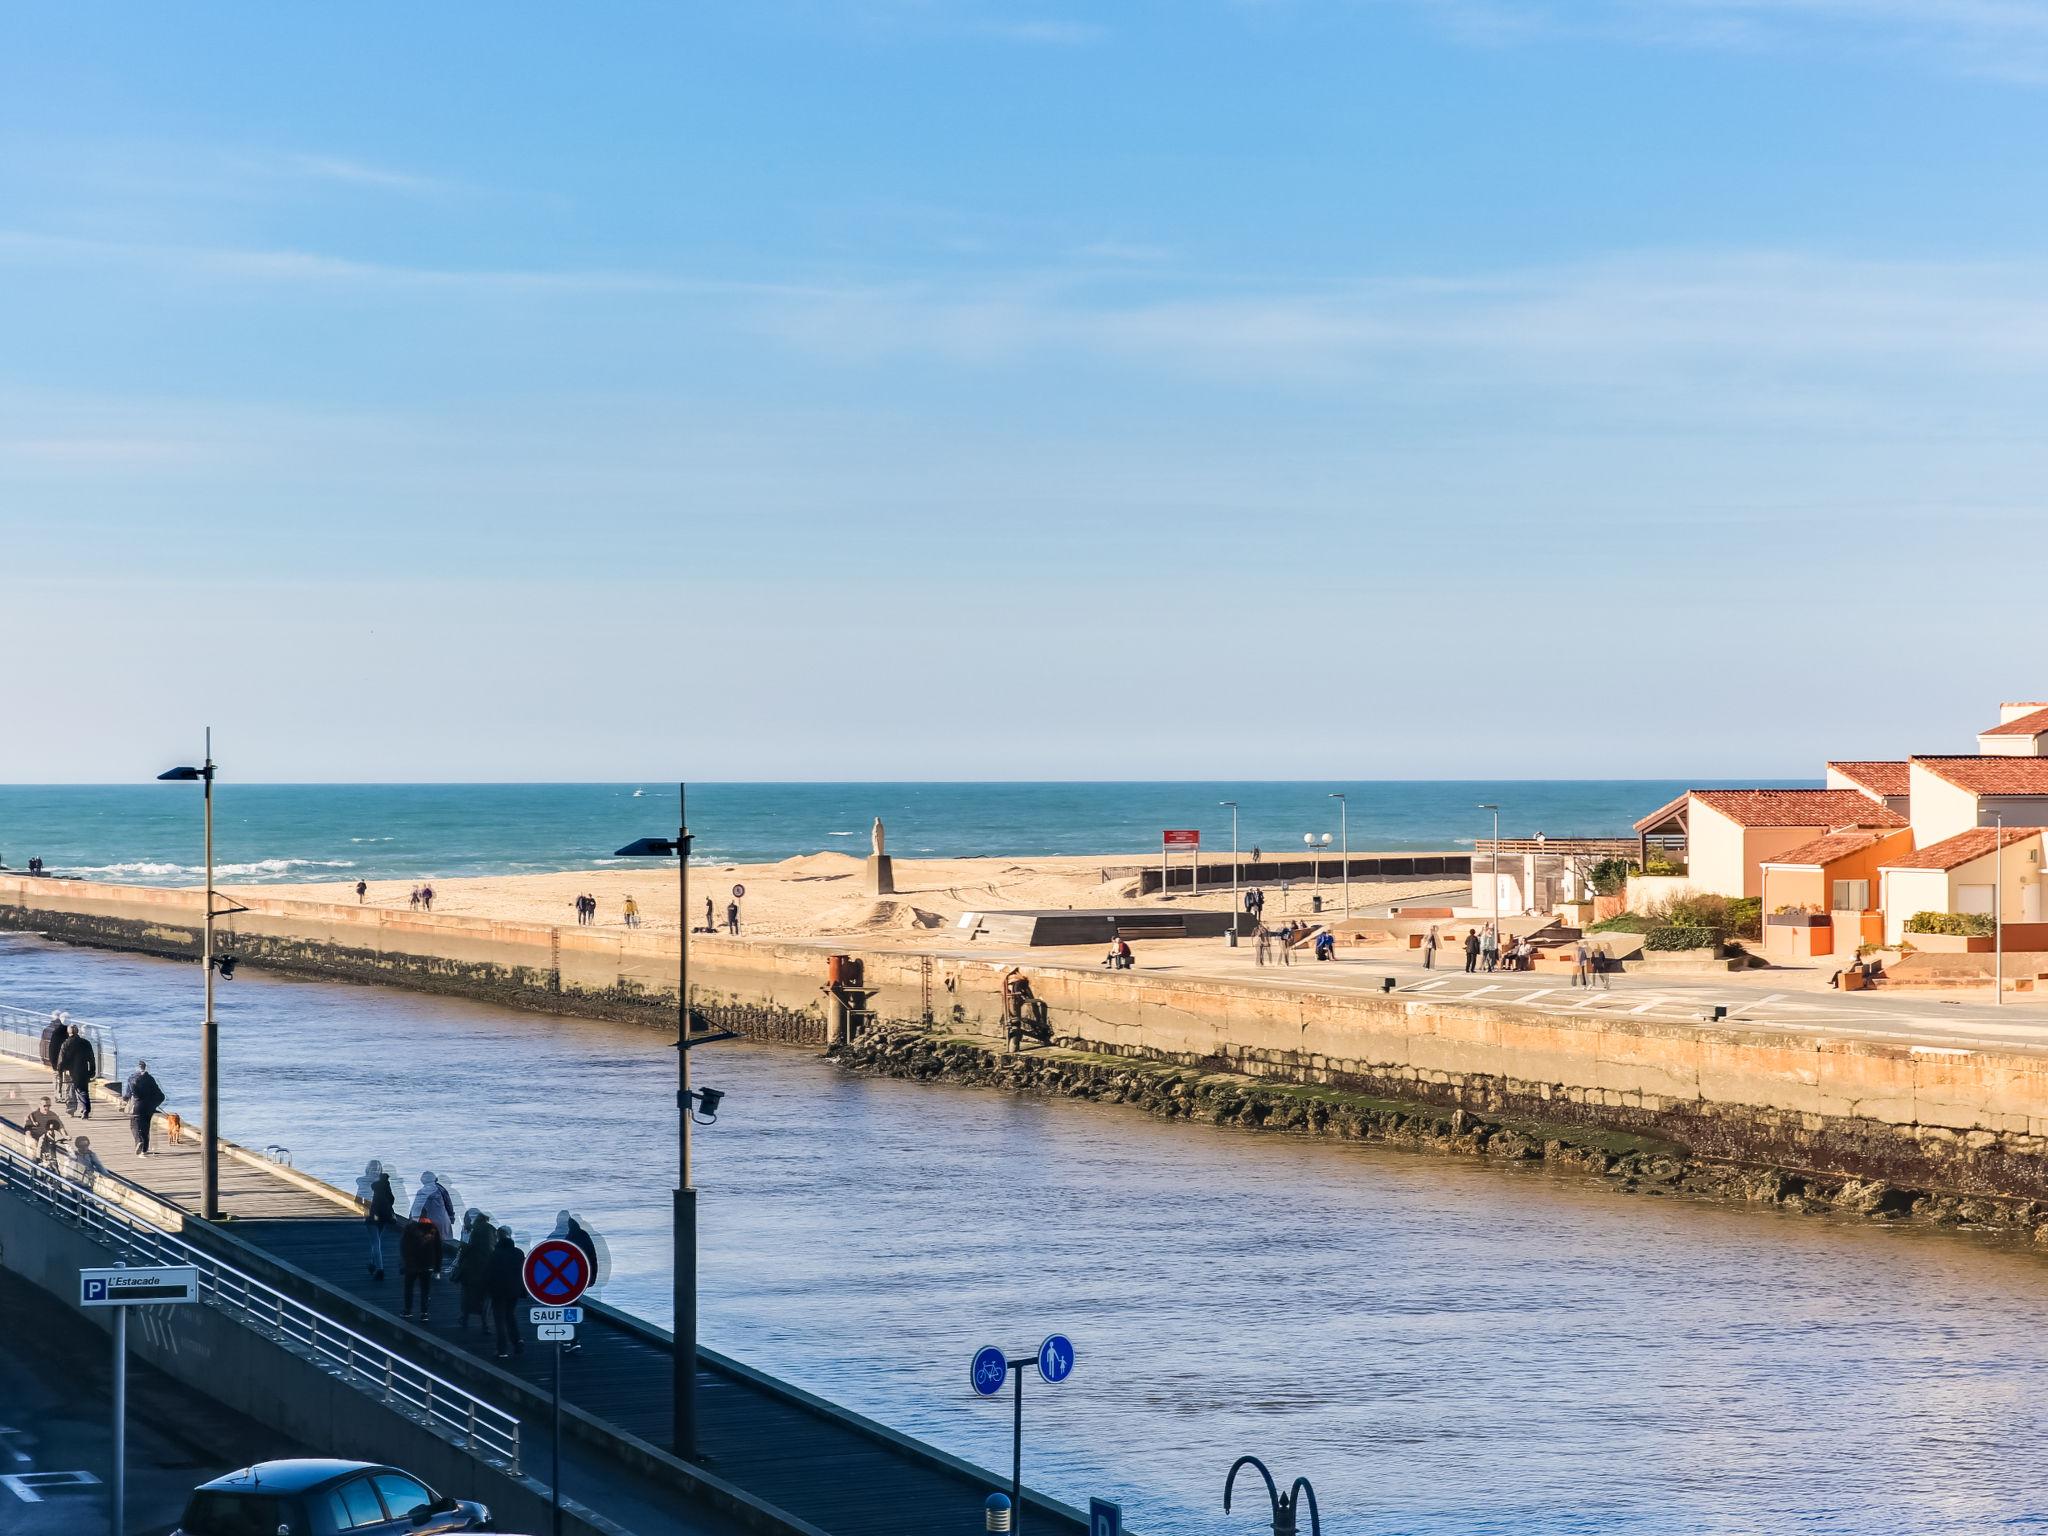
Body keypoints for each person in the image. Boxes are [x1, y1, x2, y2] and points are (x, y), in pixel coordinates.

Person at [487, 1226, 526, 1359]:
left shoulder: (494, 1254)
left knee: (499, 1319)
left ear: (498, 1237)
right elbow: (524, 1272)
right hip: (514, 1290)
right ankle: (517, 1341)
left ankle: (502, 1349)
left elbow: (489, 1274)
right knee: (510, 1315)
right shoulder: (519, 1253)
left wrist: (486, 1289)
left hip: (498, 1291)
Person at [454, 1212, 497, 1331]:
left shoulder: (471, 1230)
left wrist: (459, 1263)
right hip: (487, 1270)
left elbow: (464, 1248)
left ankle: (465, 1319)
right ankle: (485, 1325)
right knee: (485, 1298)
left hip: (471, 1270)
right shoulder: (492, 1229)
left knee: (467, 1295)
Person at [399, 1215, 442, 1321]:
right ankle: (424, 1313)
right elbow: (439, 1250)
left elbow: (403, 1247)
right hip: (427, 1265)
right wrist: (437, 1268)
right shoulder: (433, 1229)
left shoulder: (409, 1229)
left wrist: (404, 1263)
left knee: (409, 1288)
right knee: (425, 1290)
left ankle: (407, 1310)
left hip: (411, 1265)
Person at [121, 1060, 165, 1156]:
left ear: (136, 1069)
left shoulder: (131, 1078)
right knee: (145, 1127)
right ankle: (144, 1149)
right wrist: (153, 1105)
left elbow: (127, 1094)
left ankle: (139, 1142)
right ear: (146, 1068)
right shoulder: (150, 1079)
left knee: (134, 1126)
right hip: (148, 1107)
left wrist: (124, 1101)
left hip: (136, 1106)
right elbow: (161, 1096)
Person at [364, 1163, 397, 1281]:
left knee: (375, 1243)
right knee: (377, 1241)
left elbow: (358, 1200)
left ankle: (380, 1269)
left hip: (372, 1216)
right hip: (383, 1216)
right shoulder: (385, 1183)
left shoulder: (367, 1183)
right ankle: (373, 1263)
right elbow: (392, 1198)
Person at [57, 1024, 97, 1118]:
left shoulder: (66, 1044)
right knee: (83, 1091)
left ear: (68, 1032)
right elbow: (91, 1058)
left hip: (69, 1071)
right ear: (78, 1032)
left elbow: (61, 1060)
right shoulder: (86, 1043)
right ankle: (85, 1110)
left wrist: (60, 1070)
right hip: (83, 1070)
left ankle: (71, 1110)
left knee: (70, 1090)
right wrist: (92, 1071)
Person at [411, 1170, 456, 1244]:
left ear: (423, 1181)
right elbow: (449, 1205)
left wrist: (412, 1222)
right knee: (446, 1243)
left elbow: (415, 1209)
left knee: (432, 1244)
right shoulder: (441, 1190)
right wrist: (451, 1218)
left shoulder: (421, 1192)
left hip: (430, 1223)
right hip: (443, 1220)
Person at [25, 1096, 64, 1168]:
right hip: (34, 1139)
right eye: (45, 1106)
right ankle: (32, 1172)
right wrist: (31, 1139)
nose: (47, 1108)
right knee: (33, 1158)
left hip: (47, 1139)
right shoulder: (33, 1115)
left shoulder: (52, 1114)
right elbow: (27, 1130)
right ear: (39, 1105)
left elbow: (60, 1126)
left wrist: (65, 1135)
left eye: (49, 1106)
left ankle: (55, 1173)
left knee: (52, 1158)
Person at [41, 1012, 67, 1096]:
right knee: (64, 1076)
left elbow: (43, 1044)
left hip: (51, 1057)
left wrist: (43, 1057)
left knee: (56, 1075)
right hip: (61, 1058)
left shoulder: (47, 1029)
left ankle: (57, 1093)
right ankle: (63, 1093)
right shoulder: (64, 1031)